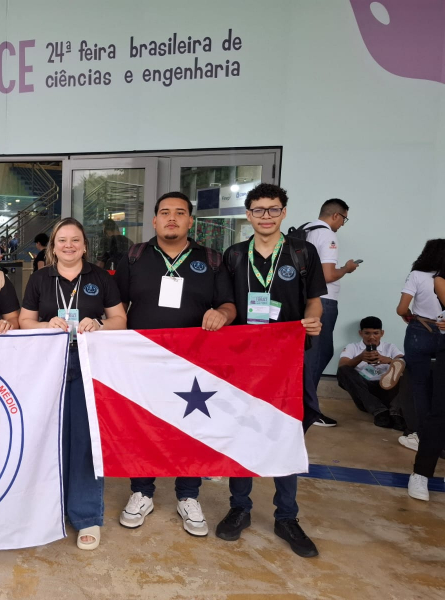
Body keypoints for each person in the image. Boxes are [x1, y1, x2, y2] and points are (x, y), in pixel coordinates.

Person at [114, 192, 236, 536]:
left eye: (179, 213)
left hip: (194, 363)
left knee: (191, 426)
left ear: (190, 222)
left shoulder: (210, 259)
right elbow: (116, 305)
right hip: (144, 360)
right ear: (154, 221)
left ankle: (188, 494)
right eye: (165, 213)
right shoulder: (135, 257)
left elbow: (228, 305)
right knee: (145, 425)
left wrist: (221, 314)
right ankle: (142, 490)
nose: (172, 218)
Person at [217, 183, 326, 558]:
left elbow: (314, 302)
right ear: (247, 215)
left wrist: (313, 321)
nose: (266, 216)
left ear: (283, 213)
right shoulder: (233, 255)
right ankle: (239, 507)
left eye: (273, 209)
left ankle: (287, 516)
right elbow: (227, 304)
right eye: (259, 210)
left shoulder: (301, 252)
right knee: (242, 429)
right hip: (244, 359)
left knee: (286, 432)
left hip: (287, 360)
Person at [19, 217, 127, 550]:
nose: (68, 246)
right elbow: (25, 321)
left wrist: (99, 324)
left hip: (89, 366)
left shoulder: (100, 277)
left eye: (75, 240)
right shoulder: (40, 278)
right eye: (62, 240)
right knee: (45, 439)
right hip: (47, 368)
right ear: (53, 246)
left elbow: (120, 319)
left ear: (84, 245)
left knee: (84, 440)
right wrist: (44, 325)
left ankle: (86, 516)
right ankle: (46, 510)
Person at [303, 199, 360, 428]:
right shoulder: (327, 236)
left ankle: (305, 405)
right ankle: (309, 409)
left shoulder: (307, 230)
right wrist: (347, 268)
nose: (343, 224)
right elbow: (327, 275)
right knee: (318, 355)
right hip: (323, 301)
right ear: (336, 215)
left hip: (306, 299)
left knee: (313, 354)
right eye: (344, 219)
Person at [396, 239, 445, 501]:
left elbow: (402, 308)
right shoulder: (440, 279)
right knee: (440, 395)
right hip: (442, 333)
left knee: (418, 387)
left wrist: (409, 317)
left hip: (420, 330)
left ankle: (418, 434)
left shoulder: (417, 275)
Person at [337, 316, 407, 429]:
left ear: (382, 333)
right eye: (367, 333)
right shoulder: (352, 347)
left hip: (387, 390)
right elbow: (342, 365)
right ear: (360, 333)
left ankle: (396, 413)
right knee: (343, 370)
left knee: (407, 369)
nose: (372, 337)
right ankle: (380, 412)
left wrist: (389, 360)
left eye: (376, 333)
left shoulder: (390, 347)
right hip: (365, 394)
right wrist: (360, 357)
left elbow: (403, 362)